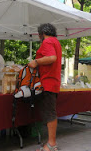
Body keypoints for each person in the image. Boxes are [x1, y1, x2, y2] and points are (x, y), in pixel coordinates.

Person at [28, 23, 62, 151]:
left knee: (49, 113)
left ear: (42, 33)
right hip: (53, 81)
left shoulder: (47, 42)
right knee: (50, 112)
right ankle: (51, 143)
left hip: (48, 82)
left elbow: (52, 58)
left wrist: (36, 61)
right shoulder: (56, 42)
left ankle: (51, 144)